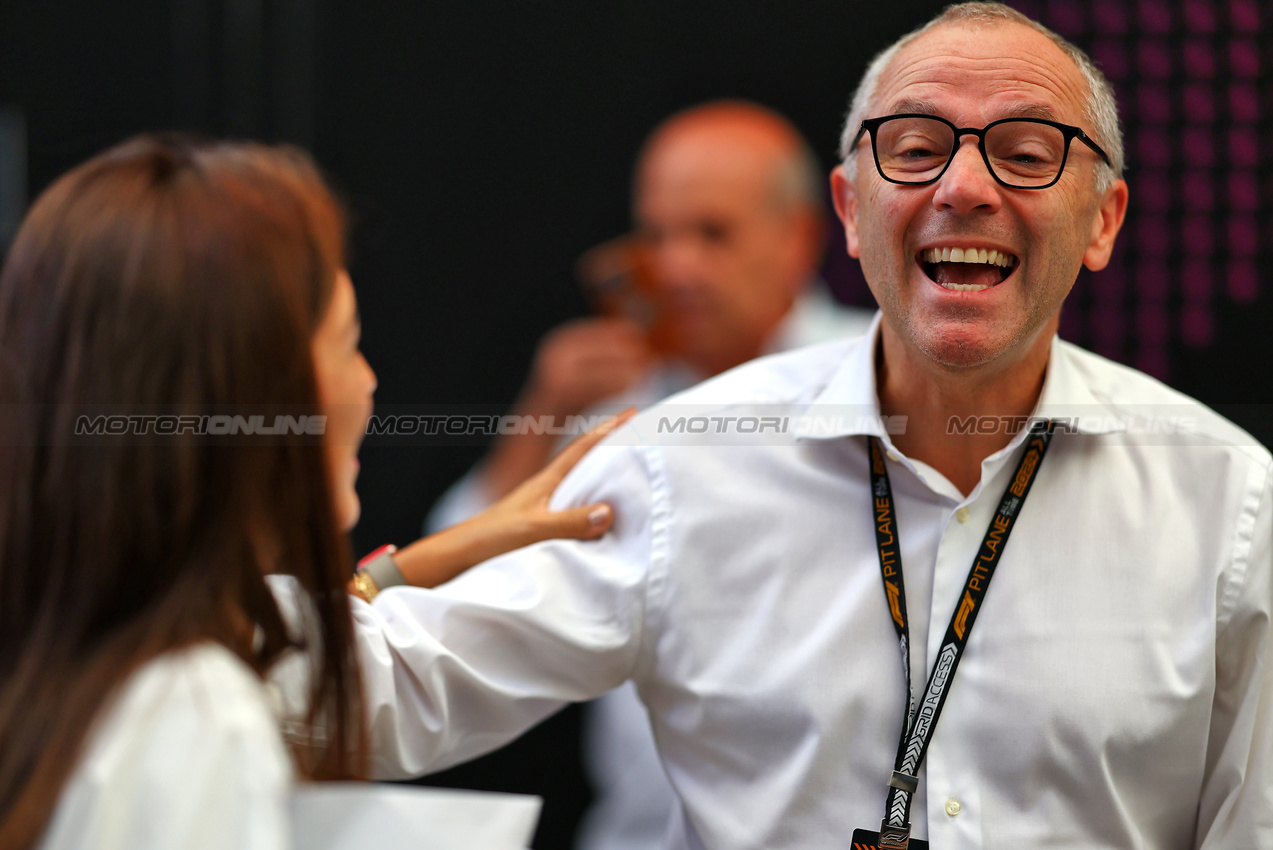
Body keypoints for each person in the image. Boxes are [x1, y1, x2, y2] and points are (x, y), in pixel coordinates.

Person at [343, 4, 1272, 848]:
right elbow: (372, 700)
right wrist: (349, 579)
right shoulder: (678, 465)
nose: (964, 186)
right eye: (913, 149)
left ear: (1103, 221)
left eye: (1026, 154)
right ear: (849, 215)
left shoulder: (1227, 502)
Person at [0, 135, 623, 850]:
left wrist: (433, 556)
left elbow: (290, 641)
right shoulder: (195, 712)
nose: (369, 381)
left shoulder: (72, 639)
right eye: (348, 343)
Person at [425, 101, 873, 849]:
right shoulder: (607, 396)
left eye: (711, 233)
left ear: (799, 235)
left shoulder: (880, 382)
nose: (674, 266)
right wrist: (541, 415)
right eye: (656, 234)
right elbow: (449, 585)